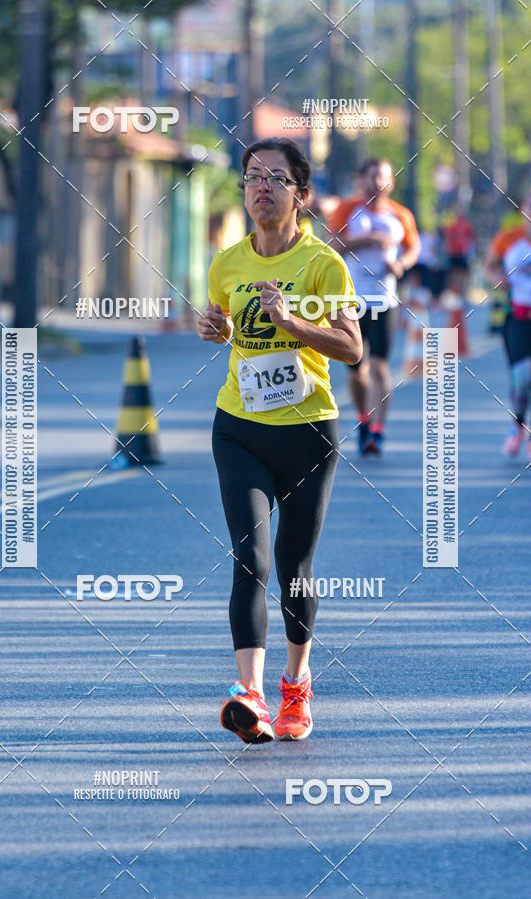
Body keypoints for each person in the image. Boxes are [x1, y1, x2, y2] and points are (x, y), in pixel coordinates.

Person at [197, 137, 362, 743]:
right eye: (251, 177)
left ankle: (296, 683)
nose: (261, 187)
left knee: (294, 568)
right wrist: (213, 328)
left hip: (308, 432)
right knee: (251, 560)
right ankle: (252, 694)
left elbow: (352, 348)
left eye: (275, 178)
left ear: (301, 194)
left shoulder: (323, 265)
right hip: (239, 428)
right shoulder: (227, 263)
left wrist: (293, 322)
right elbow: (223, 327)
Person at [326, 159, 421, 455]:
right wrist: (367, 240)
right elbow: (331, 244)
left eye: (382, 176)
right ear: (362, 180)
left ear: (391, 182)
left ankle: (378, 430)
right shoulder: (348, 209)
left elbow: (413, 247)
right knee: (357, 371)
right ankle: (363, 417)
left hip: (385, 301)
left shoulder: (400, 215)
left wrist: (401, 264)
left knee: (380, 367)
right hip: (351, 301)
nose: (377, 181)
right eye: (371, 176)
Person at [483, 191, 531, 459]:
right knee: (522, 377)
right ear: (523, 208)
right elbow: (488, 266)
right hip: (518, 317)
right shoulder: (508, 239)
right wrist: (497, 278)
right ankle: (519, 426)